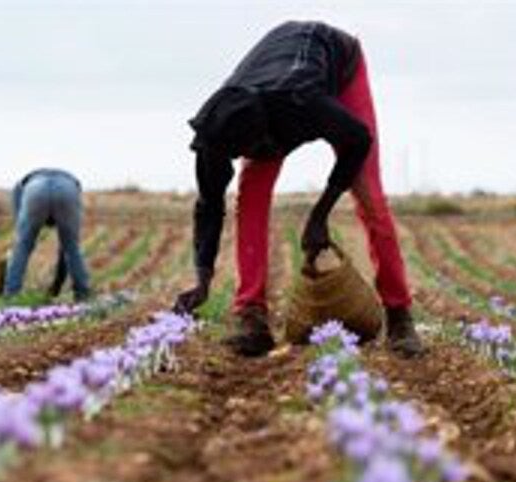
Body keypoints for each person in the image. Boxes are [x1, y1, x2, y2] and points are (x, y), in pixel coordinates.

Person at [174, 20, 423, 357]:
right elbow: (208, 205)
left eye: (256, 149)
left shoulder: (301, 99)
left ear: (265, 132)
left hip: (337, 63)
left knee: (370, 196)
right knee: (250, 197)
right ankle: (250, 314)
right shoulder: (216, 131)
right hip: (270, 87)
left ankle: (399, 314)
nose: (255, 157)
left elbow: (357, 139)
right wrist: (202, 279)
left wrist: (319, 215)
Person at [4, 168, 92, 302]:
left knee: (22, 246)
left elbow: (20, 234)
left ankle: (10, 294)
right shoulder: (73, 187)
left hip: (34, 190)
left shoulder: (19, 189)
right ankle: (83, 294)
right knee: (72, 248)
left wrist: (57, 284)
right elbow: (66, 251)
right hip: (68, 189)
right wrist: (57, 286)